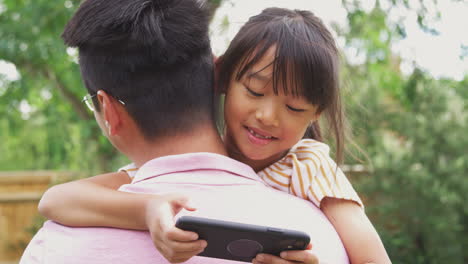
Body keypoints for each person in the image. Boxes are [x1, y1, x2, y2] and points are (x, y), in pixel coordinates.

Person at [21, 0, 350, 263]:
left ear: (108, 110)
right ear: (219, 76)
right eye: (255, 91)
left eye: (293, 108)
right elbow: (55, 199)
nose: (267, 117)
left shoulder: (57, 244)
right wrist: (147, 210)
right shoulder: (321, 238)